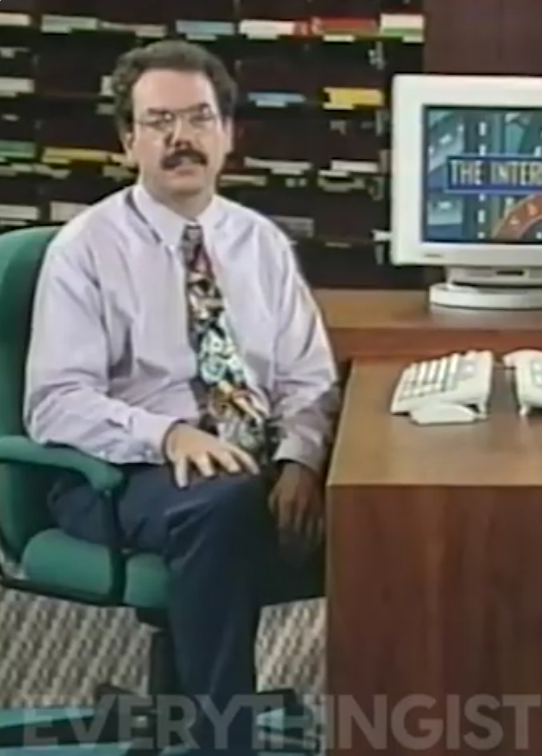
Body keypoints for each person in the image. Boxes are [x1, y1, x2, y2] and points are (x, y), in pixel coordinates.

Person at [23, 40, 339, 754]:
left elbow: (308, 377)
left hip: (253, 460)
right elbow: (55, 402)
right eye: (159, 121)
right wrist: (167, 436)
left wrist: (302, 461)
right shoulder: (86, 249)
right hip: (119, 476)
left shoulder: (260, 243)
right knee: (225, 505)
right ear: (129, 141)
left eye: (198, 118)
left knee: (386, 511)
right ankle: (223, 740)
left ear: (227, 134)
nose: (181, 138)